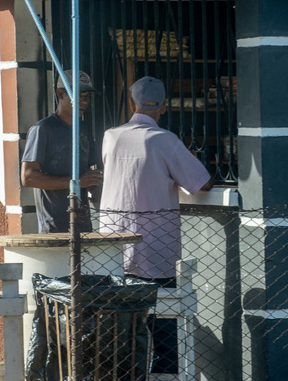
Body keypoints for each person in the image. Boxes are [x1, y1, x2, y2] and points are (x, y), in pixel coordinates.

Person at [99, 76, 212, 287]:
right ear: (164, 107)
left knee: (118, 314)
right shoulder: (165, 140)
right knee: (161, 313)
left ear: (132, 104)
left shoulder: (110, 137)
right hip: (156, 249)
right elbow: (202, 182)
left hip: (113, 247)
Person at [20, 70, 103, 233]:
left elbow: (89, 174)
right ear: (60, 93)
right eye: (78, 96)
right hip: (54, 228)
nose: (83, 102)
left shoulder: (84, 129)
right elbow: (28, 177)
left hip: (83, 226)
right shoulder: (42, 129)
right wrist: (77, 182)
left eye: (86, 97)